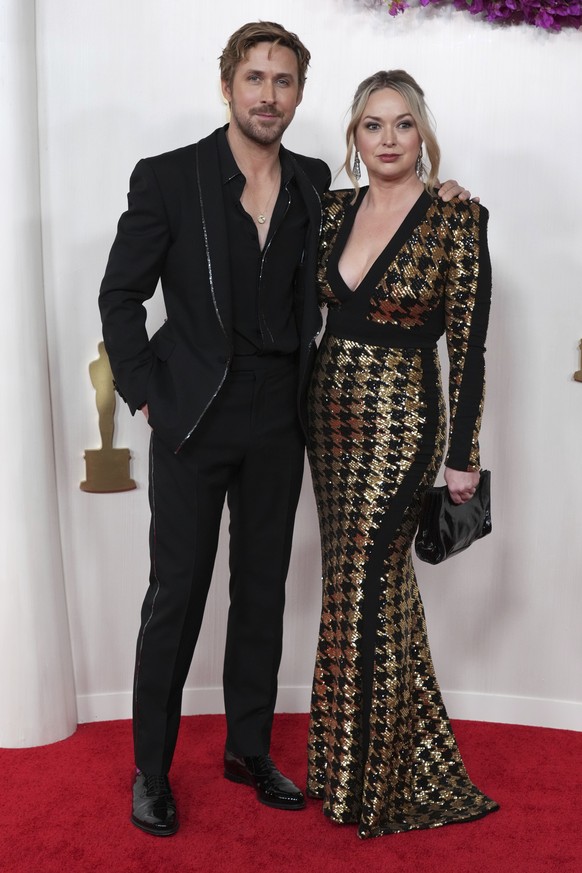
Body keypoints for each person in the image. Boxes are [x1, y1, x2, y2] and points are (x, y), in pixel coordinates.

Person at [99, 22, 471, 837]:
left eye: (285, 82)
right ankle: (151, 770)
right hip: (194, 415)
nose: (269, 95)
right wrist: (149, 395)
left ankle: (247, 749)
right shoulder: (169, 178)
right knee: (176, 596)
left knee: (261, 592)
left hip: (285, 415)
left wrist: (446, 192)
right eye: (255, 78)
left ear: (300, 94)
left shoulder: (313, 185)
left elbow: (387, 204)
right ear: (228, 83)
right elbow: (120, 298)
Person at [305, 70, 499, 838]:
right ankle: (353, 761)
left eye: (402, 125)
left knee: (369, 583)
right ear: (354, 139)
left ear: (424, 133)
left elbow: (471, 351)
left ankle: (373, 784)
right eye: (372, 126)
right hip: (328, 419)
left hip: (404, 420)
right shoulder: (330, 211)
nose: (388, 140)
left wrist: (464, 454)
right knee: (354, 586)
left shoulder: (457, 218)